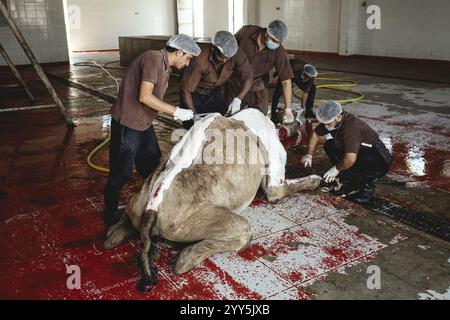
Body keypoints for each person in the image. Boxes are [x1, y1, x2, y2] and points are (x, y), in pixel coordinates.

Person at [104, 34, 201, 225]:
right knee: (120, 174)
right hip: (128, 125)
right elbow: (145, 97)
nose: (188, 63)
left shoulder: (164, 65)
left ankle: (150, 206)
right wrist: (176, 111)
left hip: (143, 125)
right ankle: (110, 215)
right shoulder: (153, 58)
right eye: (188, 58)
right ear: (179, 52)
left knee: (153, 166)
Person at [301, 101, 392, 204]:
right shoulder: (334, 120)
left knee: (361, 162)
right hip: (361, 151)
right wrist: (309, 154)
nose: (326, 127)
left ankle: (367, 191)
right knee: (329, 145)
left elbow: (350, 158)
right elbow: (315, 134)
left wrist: (336, 169)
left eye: (328, 124)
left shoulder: (351, 128)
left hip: (378, 158)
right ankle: (347, 178)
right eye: (324, 124)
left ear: (338, 117)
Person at [224, 20, 295, 123]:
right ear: (267, 33)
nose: (275, 44)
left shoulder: (278, 51)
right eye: (273, 40)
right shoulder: (246, 32)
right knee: (230, 116)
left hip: (257, 86)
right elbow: (229, 48)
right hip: (236, 82)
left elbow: (286, 80)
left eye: (279, 42)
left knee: (259, 118)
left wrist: (288, 109)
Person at [180, 31, 253, 129]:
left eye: (227, 58)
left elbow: (248, 77)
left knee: (218, 123)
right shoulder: (200, 59)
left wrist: (238, 99)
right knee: (195, 129)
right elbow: (186, 90)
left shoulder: (236, 53)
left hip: (214, 91)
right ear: (213, 48)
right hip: (194, 95)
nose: (224, 61)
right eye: (221, 57)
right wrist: (194, 116)